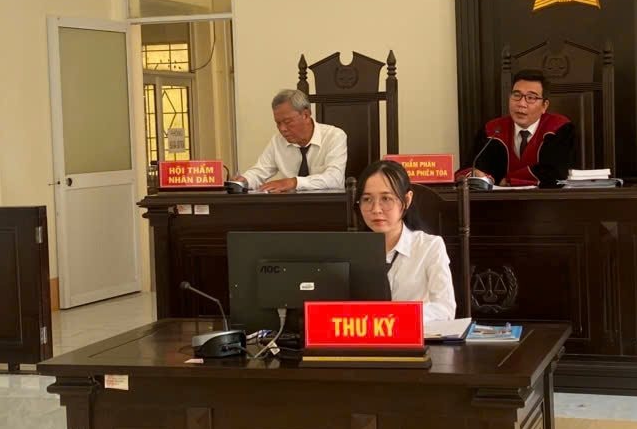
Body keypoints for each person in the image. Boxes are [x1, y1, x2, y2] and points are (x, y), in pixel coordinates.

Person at [355, 159, 456, 322]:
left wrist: (394, 315)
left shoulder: (430, 247)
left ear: (407, 200)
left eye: (386, 199)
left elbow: (445, 309)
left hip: (417, 336)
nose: (376, 209)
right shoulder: (352, 250)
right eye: (367, 199)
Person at [455, 69, 575, 187]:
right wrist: (475, 174)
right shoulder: (492, 130)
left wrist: (509, 180)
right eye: (516, 95)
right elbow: (468, 169)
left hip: (547, 199)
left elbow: (556, 173)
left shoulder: (559, 128)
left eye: (531, 98)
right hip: (497, 200)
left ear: (544, 105)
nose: (521, 104)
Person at [233, 89, 347, 193]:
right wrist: (244, 181)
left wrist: (294, 182)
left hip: (328, 205)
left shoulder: (334, 136)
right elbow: (259, 172)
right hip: (290, 206)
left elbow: (334, 178)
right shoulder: (278, 141)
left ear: (306, 115)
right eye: (278, 123)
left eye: (288, 122)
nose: (282, 129)